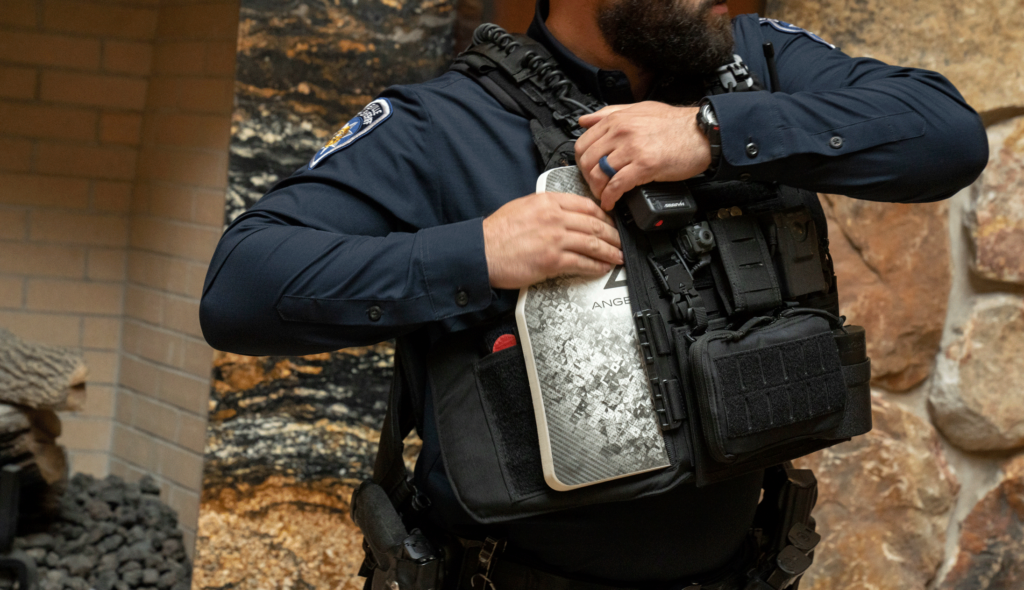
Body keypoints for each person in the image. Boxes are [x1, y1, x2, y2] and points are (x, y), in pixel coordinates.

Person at [200, 0, 987, 586]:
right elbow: (240, 286)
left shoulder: (752, 64)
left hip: (751, 568)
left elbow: (948, 135)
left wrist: (713, 131)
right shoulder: (439, 125)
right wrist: (475, 253)